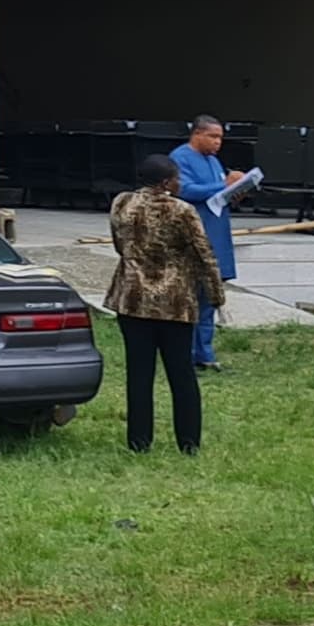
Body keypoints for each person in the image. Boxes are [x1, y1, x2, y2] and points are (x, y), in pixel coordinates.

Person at [104, 153, 224, 456]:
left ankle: (139, 441)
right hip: (175, 301)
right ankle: (188, 443)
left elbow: (120, 245)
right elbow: (203, 253)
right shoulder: (182, 210)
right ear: (167, 182)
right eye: (177, 178)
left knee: (139, 373)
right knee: (181, 372)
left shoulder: (121, 203)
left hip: (131, 298)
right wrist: (215, 294)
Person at [168, 116, 261, 369]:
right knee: (190, 296)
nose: (218, 143)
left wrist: (236, 191)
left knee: (210, 295)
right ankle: (184, 356)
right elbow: (184, 190)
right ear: (197, 134)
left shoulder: (213, 160)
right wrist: (222, 184)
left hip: (216, 232)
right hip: (194, 234)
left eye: (220, 138)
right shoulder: (180, 158)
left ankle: (205, 355)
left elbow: (219, 194)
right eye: (213, 137)